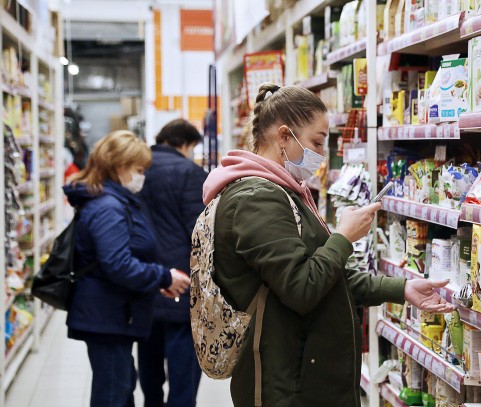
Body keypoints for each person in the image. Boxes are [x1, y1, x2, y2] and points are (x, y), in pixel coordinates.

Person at [201, 83, 455, 407]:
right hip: (285, 388)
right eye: (317, 142)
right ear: (283, 137)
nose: (321, 156)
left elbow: (328, 277)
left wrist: (401, 288)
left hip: (302, 379)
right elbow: (302, 288)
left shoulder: (285, 192)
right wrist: (343, 237)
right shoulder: (257, 200)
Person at [63, 131, 191, 407]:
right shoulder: (108, 206)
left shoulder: (112, 200)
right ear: (119, 166)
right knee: (113, 392)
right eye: (138, 170)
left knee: (120, 386)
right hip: (107, 314)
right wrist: (163, 276)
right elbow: (117, 264)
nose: (141, 176)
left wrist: (158, 280)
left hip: (112, 312)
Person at [137, 119, 208, 407]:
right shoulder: (191, 173)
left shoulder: (138, 168)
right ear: (186, 145)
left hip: (145, 278)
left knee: (149, 360)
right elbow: (200, 232)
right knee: (182, 369)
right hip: (182, 281)